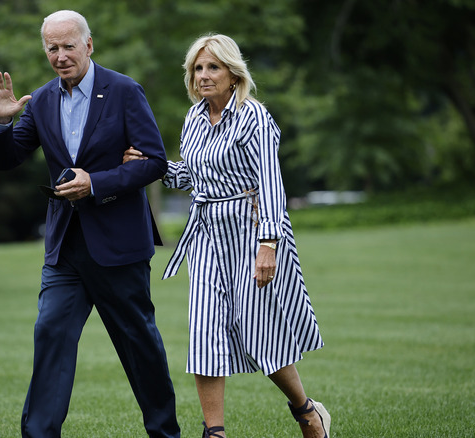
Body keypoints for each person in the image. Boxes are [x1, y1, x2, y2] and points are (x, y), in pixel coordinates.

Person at [124, 34, 330, 438]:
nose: (203, 75)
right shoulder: (194, 118)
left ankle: (307, 412)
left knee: (258, 333)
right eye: (197, 68)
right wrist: (153, 165)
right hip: (206, 235)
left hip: (252, 231)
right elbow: (191, 176)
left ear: (234, 75)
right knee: (203, 334)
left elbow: (271, 184)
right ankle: (214, 433)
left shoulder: (255, 117)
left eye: (212, 67)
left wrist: (268, 245)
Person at [0, 10, 180, 438]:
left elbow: (154, 163)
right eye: (51, 48)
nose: (60, 56)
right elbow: (6, 159)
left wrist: (97, 184)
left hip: (119, 246)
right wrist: (2, 122)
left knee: (139, 346)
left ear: (88, 45)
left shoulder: (125, 91)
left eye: (68, 46)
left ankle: (165, 433)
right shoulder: (39, 101)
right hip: (65, 250)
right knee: (50, 333)